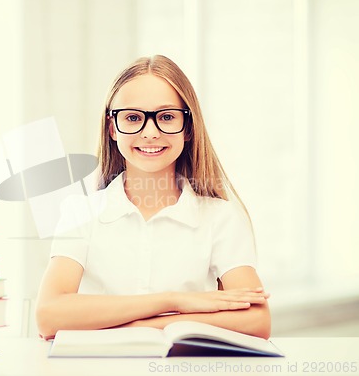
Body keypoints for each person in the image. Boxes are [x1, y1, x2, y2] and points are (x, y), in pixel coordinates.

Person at [36, 55, 270, 340]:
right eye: (133, 117)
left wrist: (131, 327)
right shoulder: (80, 212)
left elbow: (257, 321)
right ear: (112, 128)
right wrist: (173, 302)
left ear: (188, 128)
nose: (150, 133)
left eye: (167, 117)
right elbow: (48, 316)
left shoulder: (220, 217)